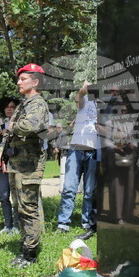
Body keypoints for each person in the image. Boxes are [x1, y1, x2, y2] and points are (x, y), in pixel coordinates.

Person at [0, 64, 50, 268]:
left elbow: (33, 125)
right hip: (16, 163)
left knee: (28, 209)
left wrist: (13, 126)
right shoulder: (24, 104)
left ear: (35, 82)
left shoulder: (37, 103)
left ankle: (30, 253)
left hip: (29, 165)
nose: (19, 82)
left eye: (23, 79)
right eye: (19, 79)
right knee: (19, 207)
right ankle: (24, 246)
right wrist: (2, 150)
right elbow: (10, 133)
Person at [56, 82, 99, 239]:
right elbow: (78, 98)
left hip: (94, 152)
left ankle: (86, 222)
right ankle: (63, 222)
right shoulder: (84, 101)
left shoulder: (104, 106)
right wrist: (81, 91)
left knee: (89, 191)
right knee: (69, 188)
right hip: (76, 150)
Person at [0, 96, 20, 234]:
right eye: (7, 106)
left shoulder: (20, 122)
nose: (10, 109)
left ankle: (17, 225)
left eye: (13, 107)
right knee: (3, 195)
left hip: (16, 164)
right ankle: (7, 224)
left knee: (16, 196)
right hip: (2, 164)